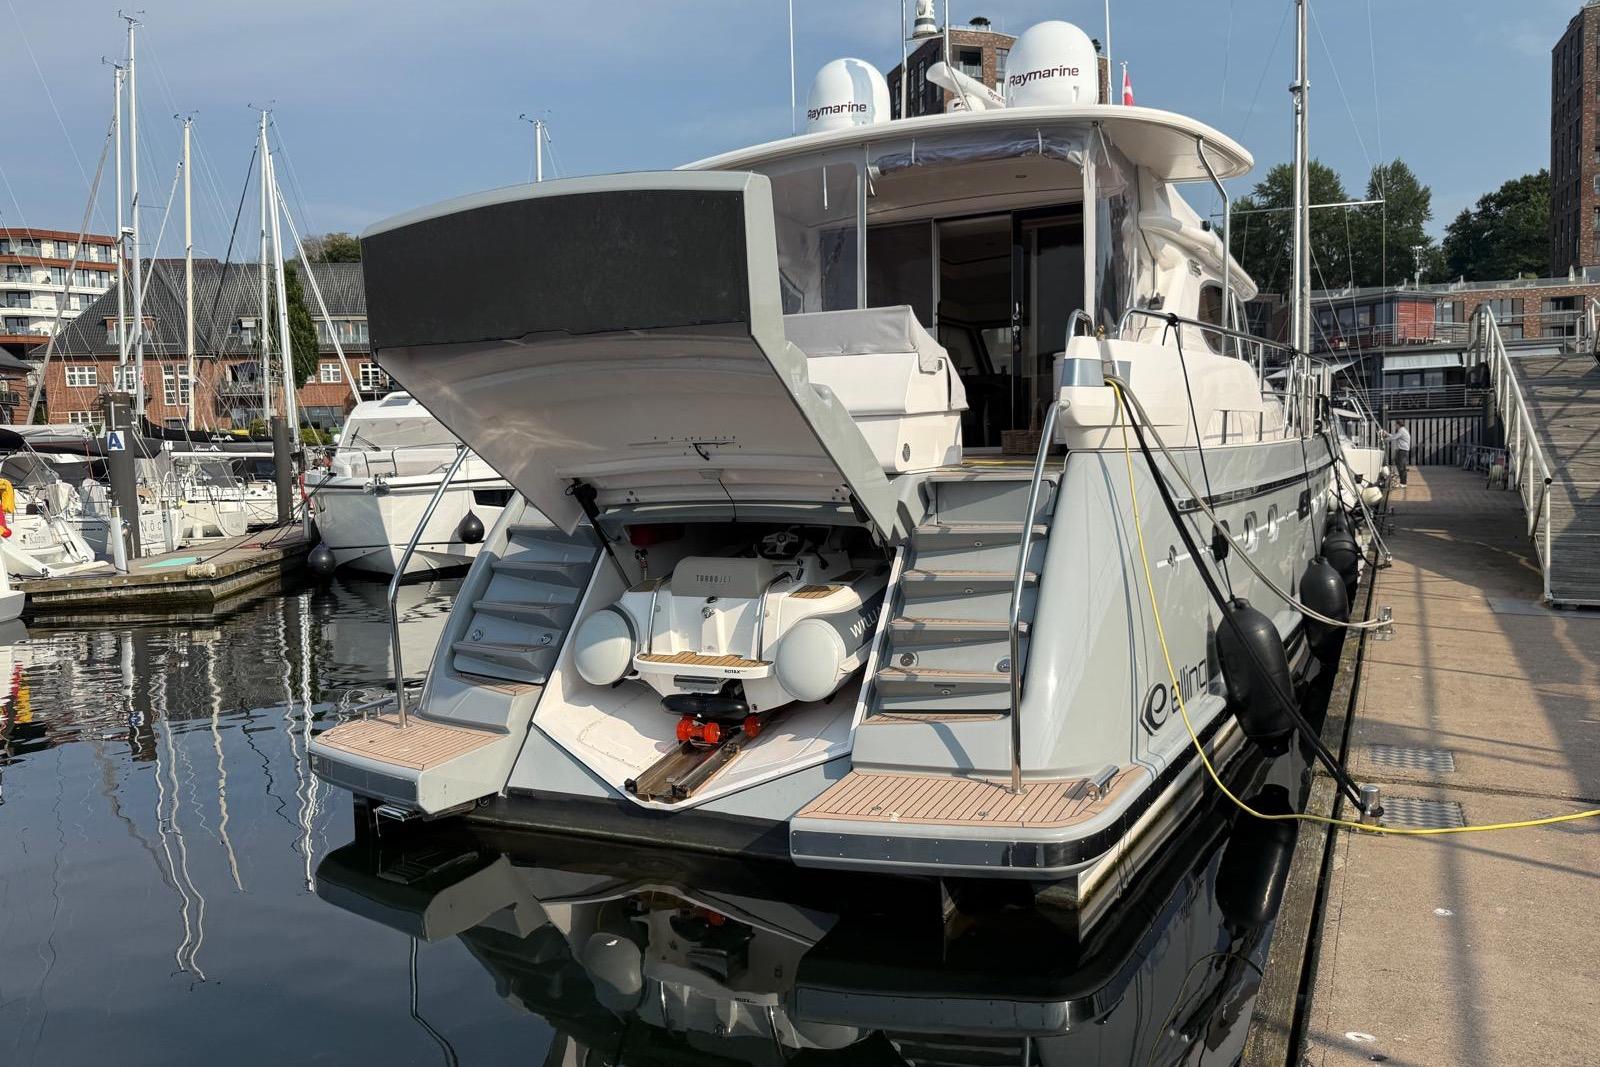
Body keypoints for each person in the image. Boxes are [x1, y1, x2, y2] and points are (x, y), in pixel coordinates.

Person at [1391, 421, 1411, 488]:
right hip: (1401, 451)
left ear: (1398, 425)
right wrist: (1387, 434)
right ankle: (1402, 481)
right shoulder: (1402, 430)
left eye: (1395, 425)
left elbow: (1394, 437)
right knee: (1398, 464)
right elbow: (1395, 436)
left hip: (1403, 451)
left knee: (1402, 467)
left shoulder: (1401, 431)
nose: (1395, 426)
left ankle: (1403, 483)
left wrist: (1385, 439)